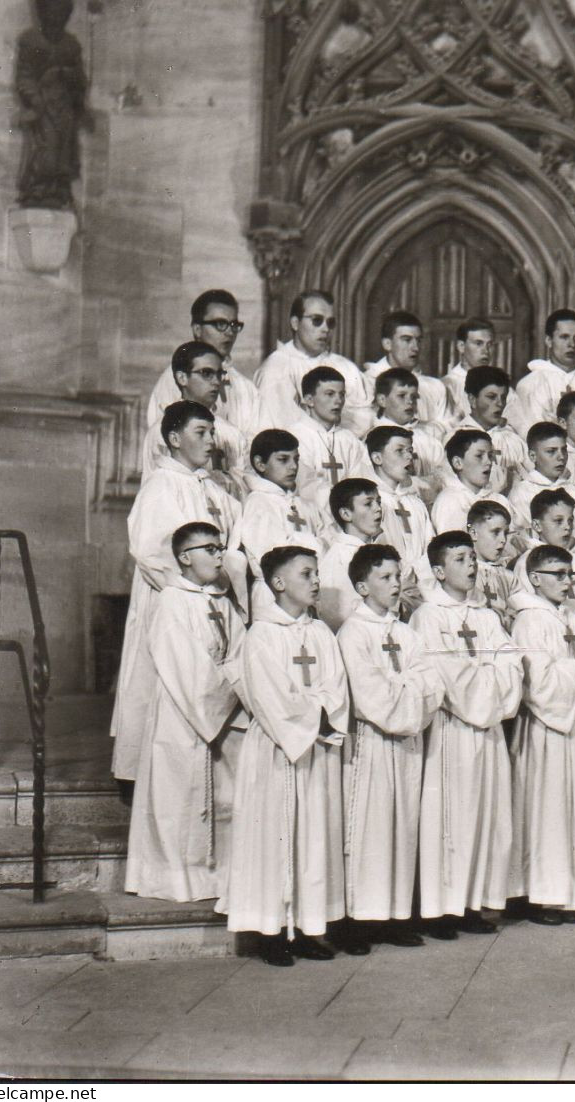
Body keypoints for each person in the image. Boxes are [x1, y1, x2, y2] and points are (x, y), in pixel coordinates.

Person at [223, 544, 352, 967]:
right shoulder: (261, 635)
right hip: (278, 750)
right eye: (306, 574)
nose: (316, 581)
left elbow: (337, 689)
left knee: (314, 837)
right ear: (278, 583)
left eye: (316, 573)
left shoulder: (320, 633)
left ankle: (311, 927)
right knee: (273, 838)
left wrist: (315, 709)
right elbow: (270, 697)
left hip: (314, 748)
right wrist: (312, 710)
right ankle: (271, 930)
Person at [110, 401, 244, 783]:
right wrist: (195, 586)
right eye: (200, 432)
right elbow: (150, 548)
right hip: (174, 601)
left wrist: (228, 567)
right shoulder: (161, 485)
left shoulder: (213, 489)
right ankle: (149, 782)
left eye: (211, 432)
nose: (210, 441)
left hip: (215, 600)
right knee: (168, 693)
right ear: (173, 438)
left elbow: (239, 538)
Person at [410, 531, 525, 938]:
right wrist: (487, 683)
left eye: (473, 558)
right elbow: (445, 675)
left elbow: (513, 666)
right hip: (452, 730)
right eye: (461, 559)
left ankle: (474, 903)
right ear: (439, 570)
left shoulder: (486, 616)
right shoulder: (429, 616)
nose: (472, 565)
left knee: (486, 815)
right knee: (451, 817)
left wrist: (487, 688)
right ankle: (441, 909)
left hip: (488, 729)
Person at [125, 522, 246, 903]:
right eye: (209, 548)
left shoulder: (223, 602)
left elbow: (243, 654)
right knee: (177, 798)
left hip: (224, 710)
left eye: (219, 547)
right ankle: (176, 881)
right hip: (183, 711)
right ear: (184, 557)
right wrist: (224, 688)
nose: (218, 555)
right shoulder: (171, 601)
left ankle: (219, 879)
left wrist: (233, 685)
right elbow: (183, 663)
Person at [335, 544, 445, 949]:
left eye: (398, 576)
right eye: (385, 577)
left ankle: (397, 915)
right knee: (370, 829)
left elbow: (433, 685)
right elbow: (369, 696)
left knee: (403, 825)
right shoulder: (353, 632)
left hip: (407, 742)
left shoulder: (406, 633)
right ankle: (361, 920)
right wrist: (407, 691)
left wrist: (404, 692)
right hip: (373, 744)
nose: (396, 584)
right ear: (362, 586)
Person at [508, 544, 575, 924]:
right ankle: (542, 895)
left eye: (570, 574)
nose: (567, 582)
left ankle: (572, 892)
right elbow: (540, 682)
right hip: (547, 730)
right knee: (549, 811)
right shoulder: (529, 621)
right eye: (558, 574)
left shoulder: (574, 619)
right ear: (535, 578)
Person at [144, 290, 261, 437]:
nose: (230, 332)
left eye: (233, 325)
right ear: (197, 329)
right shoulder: (175, 380)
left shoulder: (246, 388)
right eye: (220, 324)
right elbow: (162, 438)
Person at [255, 290, 372, 436]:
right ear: (295, 323)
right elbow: (276, 427)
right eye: (317, 320)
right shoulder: (276, 368)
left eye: (330, 322)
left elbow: (363, 422)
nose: (325, 329)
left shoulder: (346, 367)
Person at [139, 342, 249, 492]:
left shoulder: (231, 434)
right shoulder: (161, 431)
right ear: (182, 377)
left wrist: (225, 479)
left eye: (219, 374)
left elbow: (243, 487)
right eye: (206, 373)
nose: (217, 382)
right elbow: (154, 491)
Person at [239, 429, 325, 618]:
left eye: (296, 459)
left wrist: (299, 540)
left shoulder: (304, 504)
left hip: (304, 591)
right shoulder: (259, 502)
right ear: (260, 464)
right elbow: (272, 556)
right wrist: (313, 543)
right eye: (283, 459)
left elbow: (325, 544)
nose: (293, 466)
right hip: (274, 596)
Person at [509, 308, 575, 454]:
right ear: (548, 340)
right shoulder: (531, 384)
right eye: (564, 337)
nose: (572, 344)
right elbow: (532, 431)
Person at [510, 490, 575, 631]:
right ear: (537, 526)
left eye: (570, 520)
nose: (567, 527)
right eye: (558, 521)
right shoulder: (527, 564)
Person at [288, 366, 370, 533]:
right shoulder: (295, 436)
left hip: (349, 523)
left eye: (342, 394)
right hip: (312, 522)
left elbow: (361, 481)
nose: (338, 401)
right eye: (330, 394)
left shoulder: (349, 439)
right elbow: (305, 485)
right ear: (309, 399)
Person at [508, 421, 575, 555]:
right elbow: (521, 538)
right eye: (551, 451)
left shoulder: (574, 491)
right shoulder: (522, 493)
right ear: (532, 456)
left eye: (563, 449)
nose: (561, 457)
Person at [365, 425, 432, 592]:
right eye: (400, 451)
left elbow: (430, 548)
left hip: (422, 588)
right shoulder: (369, 503)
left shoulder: (416, 503)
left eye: (410, 450)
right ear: (377, 458)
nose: (409, 456)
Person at [363, 311, 451, 433]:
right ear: (387, 344)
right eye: (407, 340)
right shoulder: (366, 383)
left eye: (418, 340)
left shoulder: (435, 387)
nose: (415, 347)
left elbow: (447, 429)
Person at [315, 478, 382, 631]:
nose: (378, 508)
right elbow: (337, 617)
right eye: (368, 503)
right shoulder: (338, 559)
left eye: (379, 502)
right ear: (346, 513)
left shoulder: (374, 551)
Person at [372, 366, 447, 497]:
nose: (410, 401)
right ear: (382, 400)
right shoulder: (372, 438)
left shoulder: (428, 438)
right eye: (402, 396)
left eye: (414, 396)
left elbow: (444, 475)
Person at [454, 366, 530, 494]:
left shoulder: (512, 438)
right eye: (491, 397)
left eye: (503, 397)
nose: (500, 403)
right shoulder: (456, 439)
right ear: (472, 400)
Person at [432, 429, 515, 537]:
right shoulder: (450, 501)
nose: (489, 462)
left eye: (490, 456)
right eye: (479, 456)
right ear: (458, 463)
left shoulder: (499, 499)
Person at [442, 318, 497, 424]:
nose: (485, 351)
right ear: (461, 346)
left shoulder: (501, 386)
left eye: (489, 344)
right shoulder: (447, 385)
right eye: (478, 343)